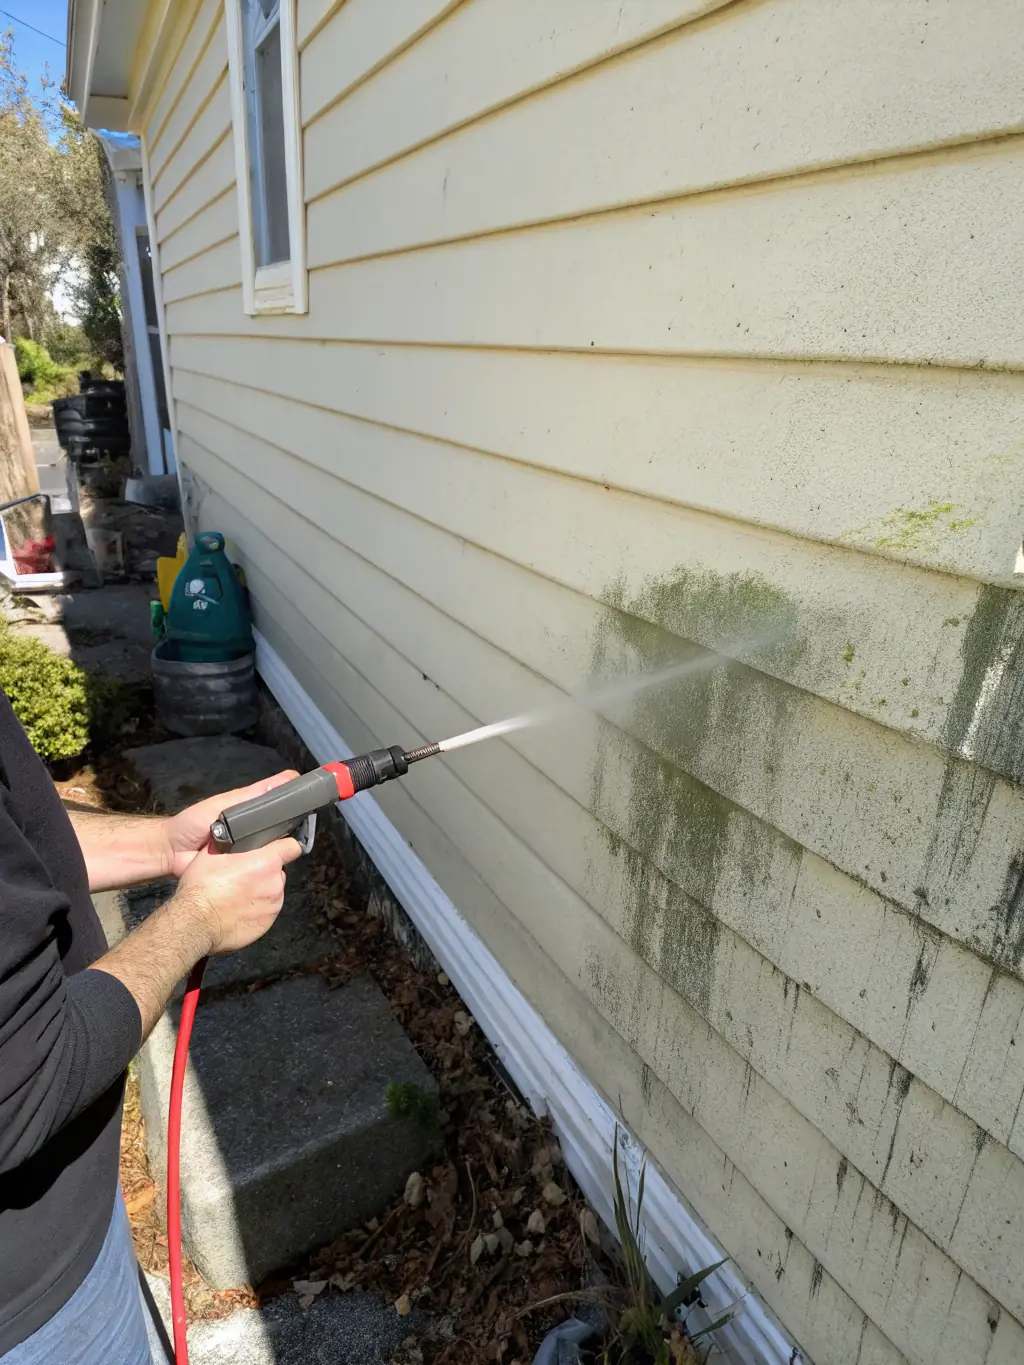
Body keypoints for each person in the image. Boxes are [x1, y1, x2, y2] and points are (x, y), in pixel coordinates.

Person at [0, 692, 302, 1362]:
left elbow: (19, 833)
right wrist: (196, 920)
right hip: (33, 1316)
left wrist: (165, 843)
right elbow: (22, 1076)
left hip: (65, 1225)